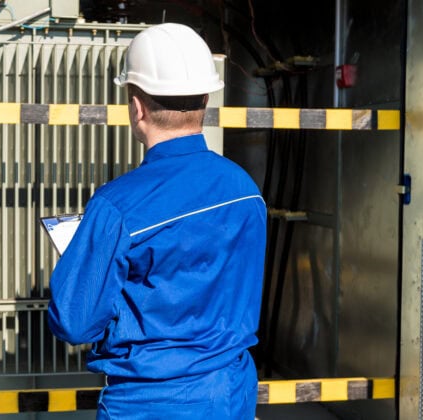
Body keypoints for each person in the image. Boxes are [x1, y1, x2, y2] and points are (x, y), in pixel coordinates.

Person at [48, 22, 266, 419]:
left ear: (137, 107)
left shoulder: (117, 206)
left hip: (150, 404)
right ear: (205, 98)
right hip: (232, 393)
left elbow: (75, 323)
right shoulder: (245, 189)